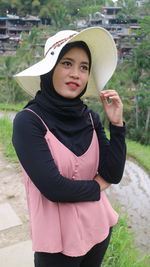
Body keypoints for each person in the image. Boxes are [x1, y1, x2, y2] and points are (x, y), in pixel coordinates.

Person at [12, 27, 126, 267]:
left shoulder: (90, 117)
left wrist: (117, 124)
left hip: (98, 229)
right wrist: (97, 187)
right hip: (58, 245)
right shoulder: (29, 121)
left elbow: (113, 173)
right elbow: (54, 188)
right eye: (67, 63)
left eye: (83, 67)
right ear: (50, 68)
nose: (76, 73)